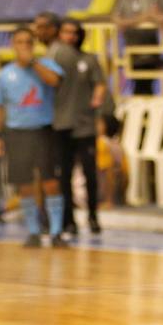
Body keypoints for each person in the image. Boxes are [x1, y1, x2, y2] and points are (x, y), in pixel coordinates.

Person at [0, 27, 66, 248]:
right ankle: (33, 231)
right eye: (19, 42)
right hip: (16, 133)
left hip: (43, 130)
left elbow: (54, 81)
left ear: (33, 45)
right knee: (23, 183)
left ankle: (56, 232)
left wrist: (32, 62)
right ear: (13, 45)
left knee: (50, 181)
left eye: (28, 42)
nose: (24, 46)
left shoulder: (46, 65)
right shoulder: (5, 74)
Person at [57, 20, 106, 235]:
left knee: (90, 173)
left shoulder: (89, 60)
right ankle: (68, 220)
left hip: (85, 125)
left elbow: (100, 84)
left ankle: (93, 216)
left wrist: (97, 99)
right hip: (61, 125)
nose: (70, 36)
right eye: (66, 32)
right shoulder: (54, 60)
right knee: (64, 174)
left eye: (74, 32)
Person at [110, 0, 155, 96]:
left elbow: (148, 14)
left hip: (146, 43)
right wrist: (120, 21)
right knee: (135, 79)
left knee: (145, 80)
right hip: (130, 42)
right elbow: (116, 15)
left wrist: (127, 22)